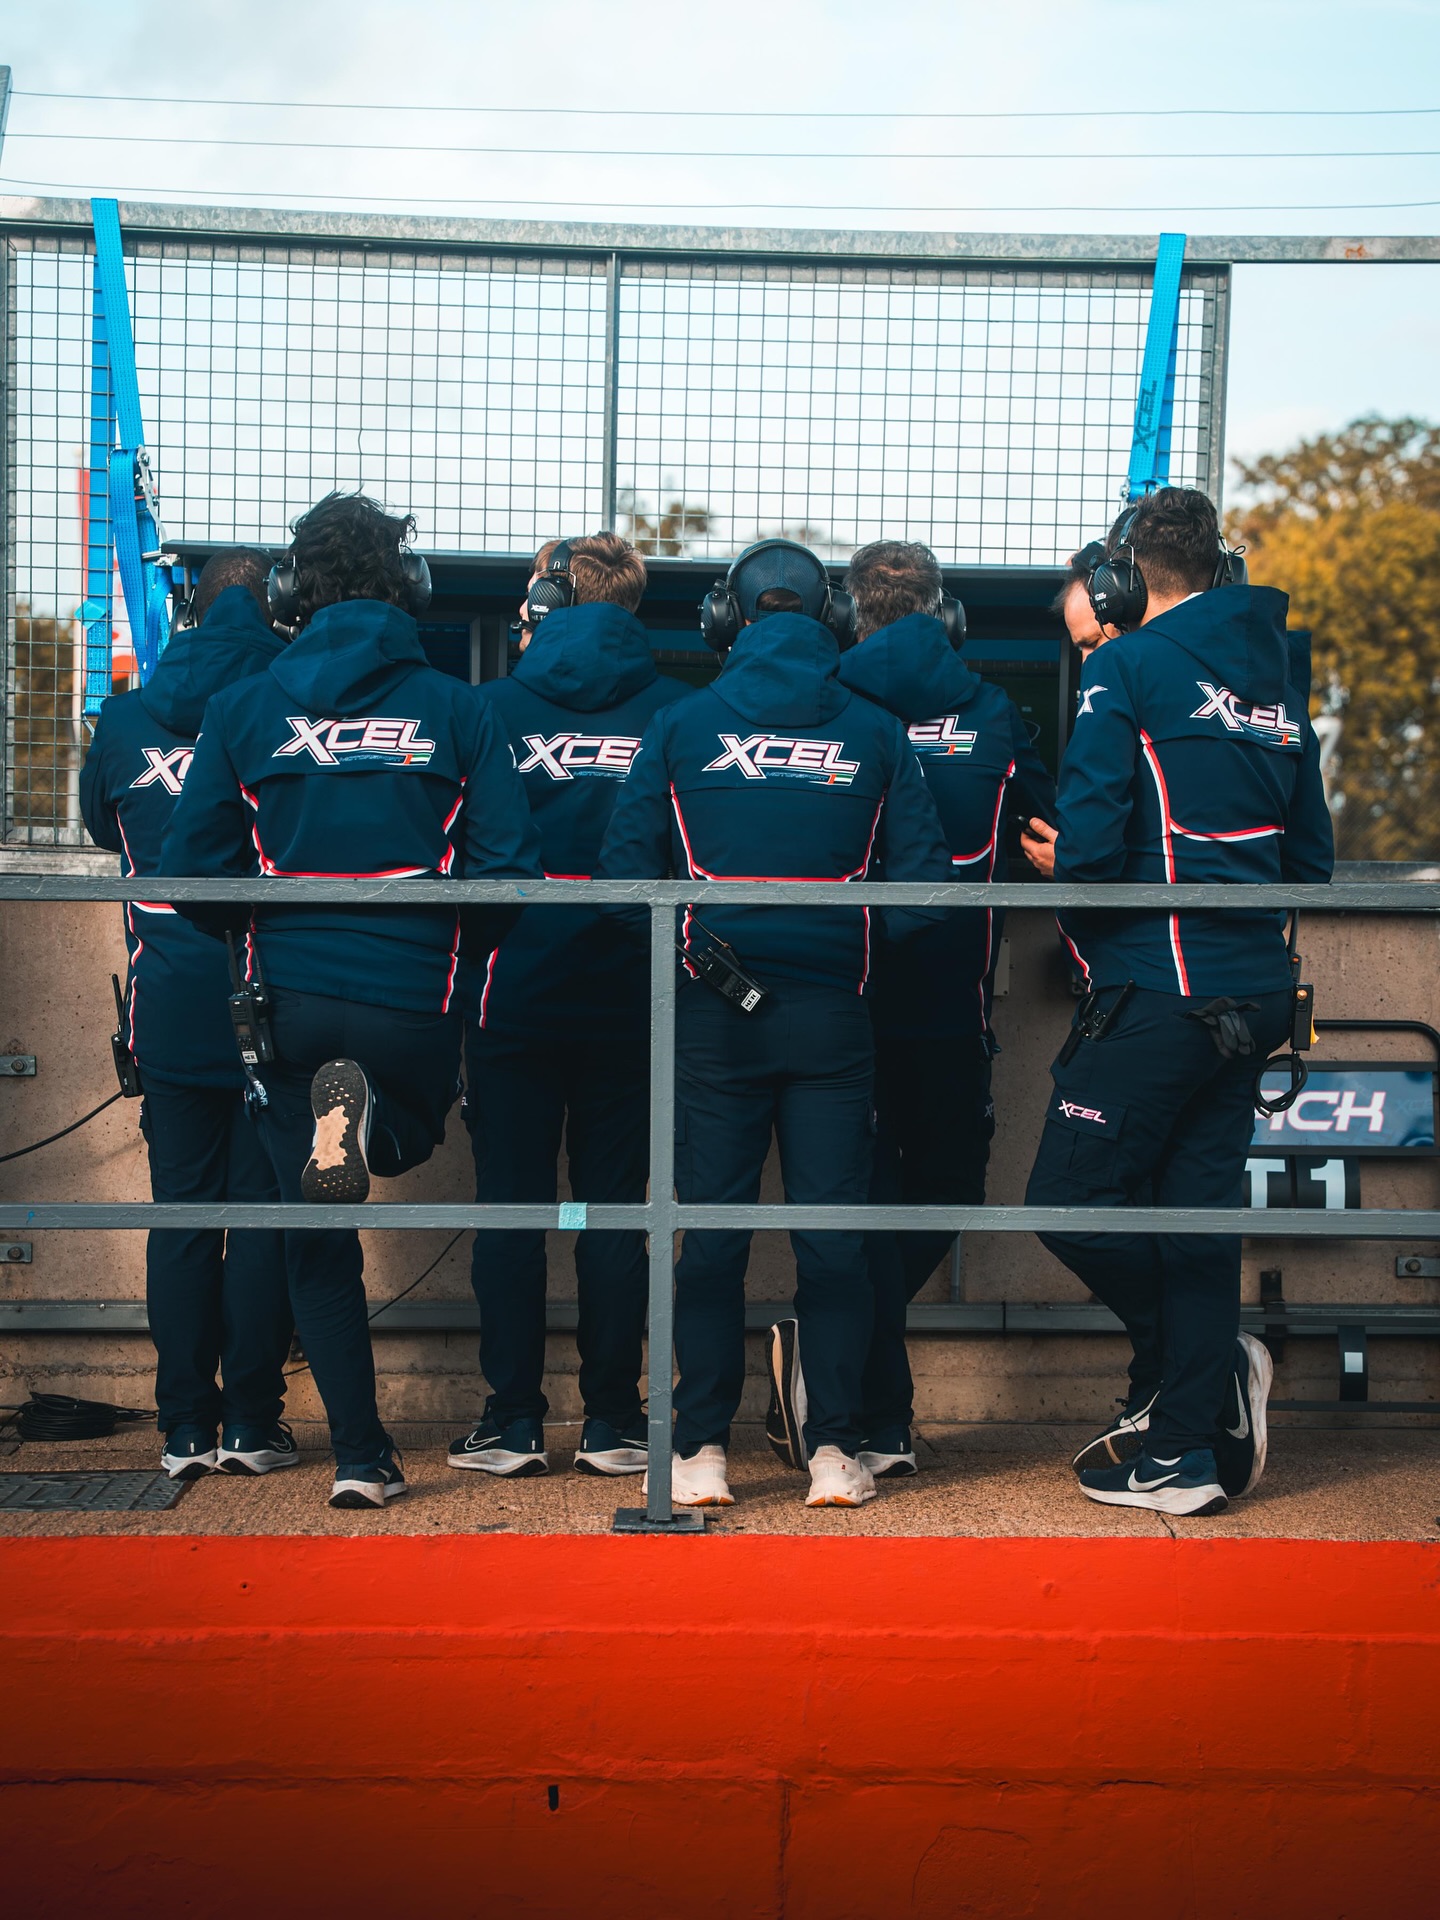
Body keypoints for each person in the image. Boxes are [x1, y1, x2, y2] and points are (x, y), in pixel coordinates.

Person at [160, 492, 543, 1511]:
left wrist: (256, 931)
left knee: (316, 1234)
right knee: (416, 1125)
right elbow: (509, 873)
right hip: (412, 994)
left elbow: (189, 872)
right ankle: (382, 1132)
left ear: (290, 594)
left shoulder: (242, 709)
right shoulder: (463, 707)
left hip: (288, 1003)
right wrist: (452, 946)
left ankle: (363, 1458)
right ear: (407, 588)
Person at [600, 538, 953, 1510]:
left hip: (711, 1022)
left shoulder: (680, 724)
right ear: (831, 621)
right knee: (835, 1240)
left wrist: (693, 952)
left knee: (708, 1239)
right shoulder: (879, 732)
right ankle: (835, 1450)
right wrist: (841, 938)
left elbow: (620, 886)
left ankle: (700, 1448)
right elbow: (930, 895)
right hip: (836, 1023)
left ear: (729, 619)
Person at [1021, 487, 1333, 1516]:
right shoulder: (1280, 682)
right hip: (1253, 996)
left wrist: (1071, 857)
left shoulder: (1128, 665)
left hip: (1159, 991)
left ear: (1123, 578)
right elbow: (1312, 861)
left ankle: (1190, 1368)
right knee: (1195, 1222)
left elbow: (1098, 851)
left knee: (1066, 1200)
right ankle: (1185, 1450)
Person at [763, 537, 1051, 1480]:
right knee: (943, 1196)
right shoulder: (996, 714)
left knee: (862, 1214)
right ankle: (869, 1410)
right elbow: (1052, 835)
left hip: (836, 1001)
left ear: (848, 615)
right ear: (946, 613)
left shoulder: (827, 705)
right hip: (950, 1002)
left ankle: (849, 1381)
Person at [448, 533, 688, 1480]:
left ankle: (510, 1422)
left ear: (546, 601)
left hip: (512, 995)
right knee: (614, 1211)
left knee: (511, 1211)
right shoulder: (680, 713)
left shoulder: (485, 709)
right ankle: (617, 1423)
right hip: (636, 997)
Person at [80, 549, 295, 1482]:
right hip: (268, 996)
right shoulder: (286, 705)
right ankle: (250, 1424)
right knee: (258, 1217)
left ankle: (181, 1429)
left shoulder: (127, 718)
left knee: (182, 1216)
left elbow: (100, 827)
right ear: (276, 610)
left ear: (191, 612)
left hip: (166, 1003)